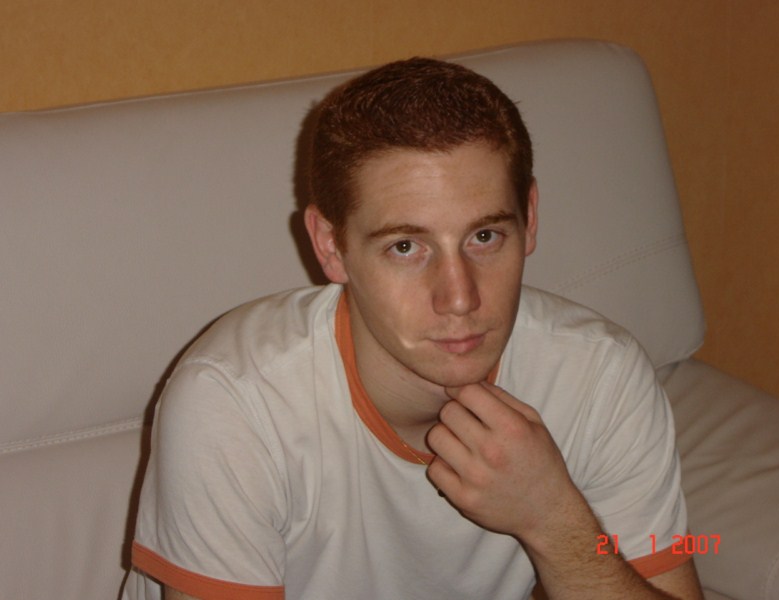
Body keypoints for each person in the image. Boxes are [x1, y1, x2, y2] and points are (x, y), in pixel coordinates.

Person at [124, 57, 704, 599]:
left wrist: (553, 520)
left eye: (484, 237)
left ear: (529, 218)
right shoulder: (235, 403)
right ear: (330, 246)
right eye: (405, 246)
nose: (460, 297)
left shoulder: (601, 377)